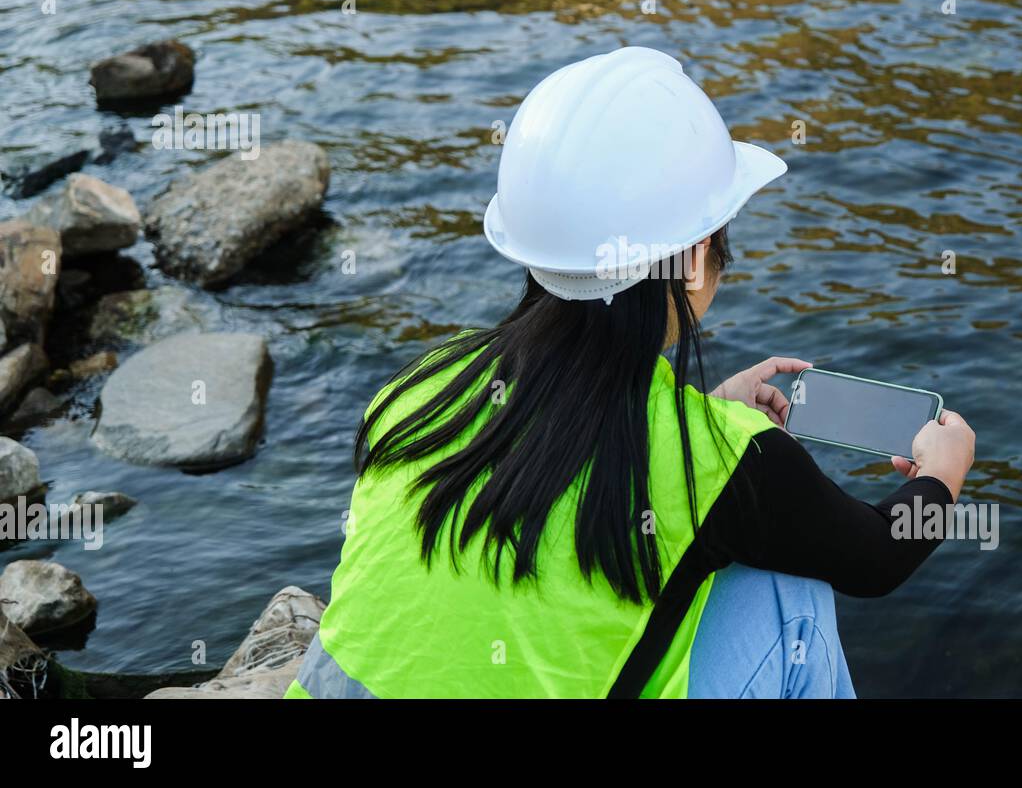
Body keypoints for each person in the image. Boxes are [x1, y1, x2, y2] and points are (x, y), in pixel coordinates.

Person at [287, 46, 975, 699]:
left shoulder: (422, 385)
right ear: (697, 255)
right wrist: (942, 473)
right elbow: (877, 558)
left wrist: (701, 408)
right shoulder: (724, 458)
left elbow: (562, 463)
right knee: (790, 592)